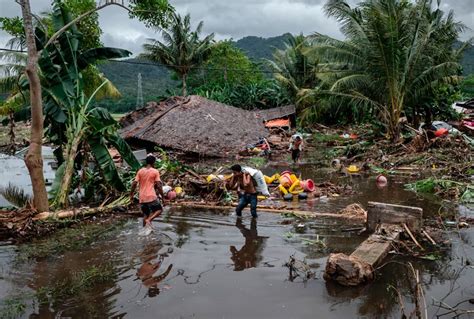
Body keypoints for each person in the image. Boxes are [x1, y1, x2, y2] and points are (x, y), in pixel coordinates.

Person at [130, 155, 165, 229]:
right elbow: (159, 185)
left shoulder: (140, 171)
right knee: (159, 210)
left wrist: (131, 194)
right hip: (151, 196)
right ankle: (149, 220)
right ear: (153, 162)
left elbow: (134, 183)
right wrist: (163, 197)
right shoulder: (155, 171)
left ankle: (144, 230)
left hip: (142, 197)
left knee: (146, 214)